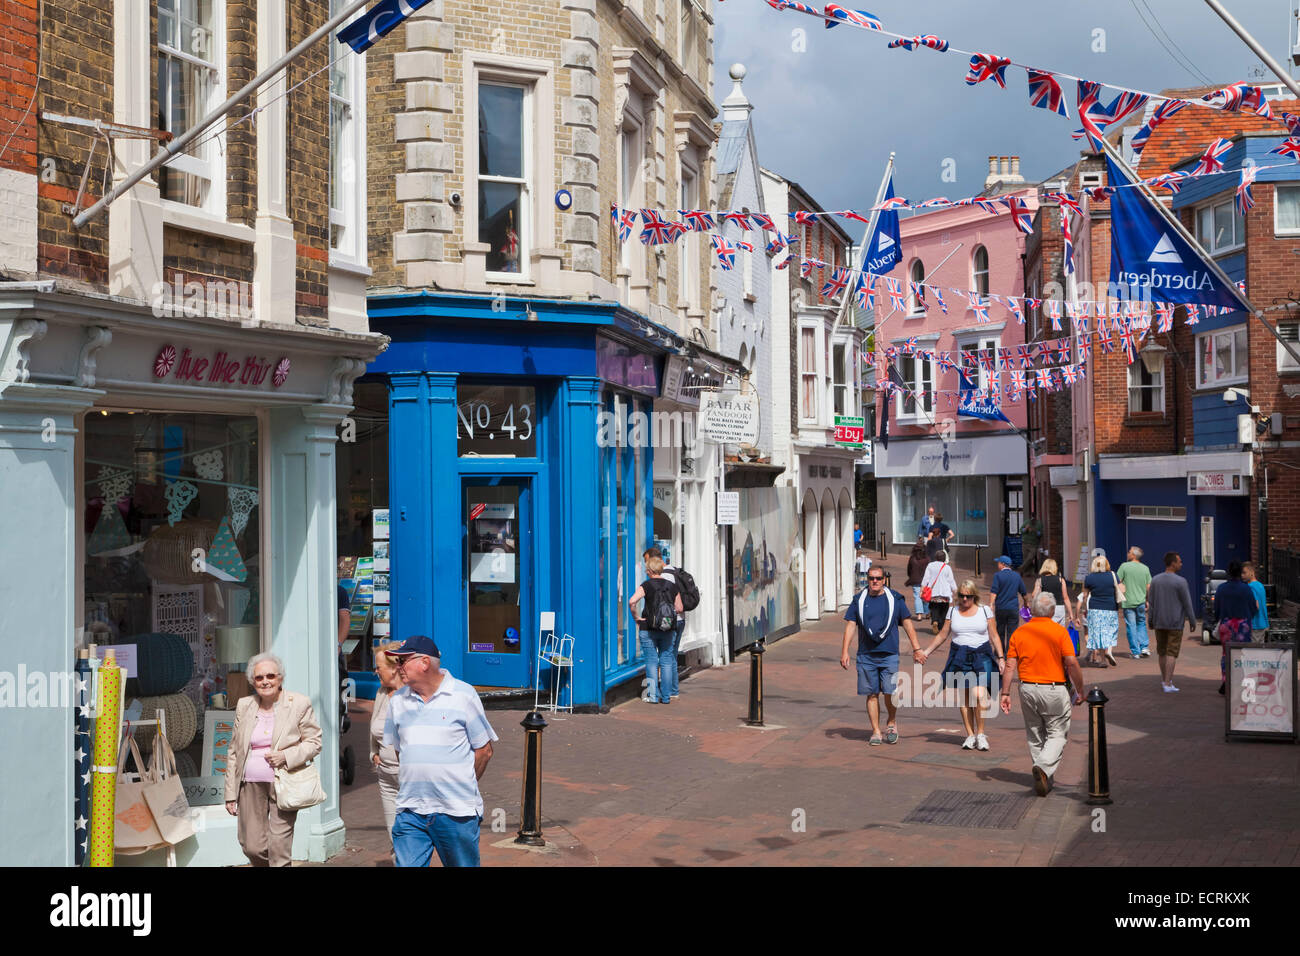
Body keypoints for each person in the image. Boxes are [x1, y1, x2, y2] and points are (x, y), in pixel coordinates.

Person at [385, 636, 497, 867]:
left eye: (402, 661)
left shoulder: (463, 695)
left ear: (424, 662)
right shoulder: (397, 701)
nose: (397, 668)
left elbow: (484, 750)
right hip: (410, 810)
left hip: (456, 812)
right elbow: (400, 752)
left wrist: (462, 782)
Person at [224, 652, 322, 867]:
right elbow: (234, 751)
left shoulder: (298, 703)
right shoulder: (244, 705)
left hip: (285, 783)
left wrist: (286, 756)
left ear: (280, 678)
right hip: (250, 784)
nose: (265, 681)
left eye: (270, 676)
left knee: (279, 847)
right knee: (252, 846)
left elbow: (314, 742)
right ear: (252, 681)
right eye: (259, 678)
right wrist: (230, 793)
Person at [1000, 593, 1086, 796]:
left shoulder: (1019, 633)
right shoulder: (1059, 632)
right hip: (1054, 689)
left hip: (1028, 687)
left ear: (1032, 611)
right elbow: (1071, 662)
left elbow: (1010, 665)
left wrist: (1005, 692)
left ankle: (1045, 776)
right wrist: (1080, 689)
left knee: (1035, 733)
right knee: (1057, 732)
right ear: (1053, 611)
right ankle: (1044, 767)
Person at [840, 565, 923, 746]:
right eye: (871, 578)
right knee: (871, 694)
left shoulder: (895, 599)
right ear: (867, 579)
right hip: (866, 655)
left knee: (890, 692)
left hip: (889, 654)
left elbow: (907, 623)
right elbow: (850, 625)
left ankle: (891, 722)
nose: (875, 581)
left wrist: (917, 649)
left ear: (884, 579)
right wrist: (845, 651)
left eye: (878, 578)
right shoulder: (859, 600)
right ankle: (876, 731)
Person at [919, 579, 1005, 751]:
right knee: (966, 697)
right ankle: (970, 735)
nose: (965, 600)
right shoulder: (952, 611)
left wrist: (1001, 657)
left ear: (975, 596)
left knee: (979, 695)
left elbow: (994, 635)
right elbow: (943, 635)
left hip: (982, 655)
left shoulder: (984, 611)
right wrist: (926, 652)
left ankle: (980, 734)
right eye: (962, 596)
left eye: (968, 596)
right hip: (960, 656)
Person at [629, 552, 684, 704]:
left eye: (647, 569)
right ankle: (666, 697)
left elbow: (632, 601)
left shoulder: (646, 585)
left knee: (651, 662)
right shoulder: (672, 586)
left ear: (650, 571)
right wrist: (667, 612)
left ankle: (653, 696)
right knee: (666, 661)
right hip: (668, 628)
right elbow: (679, 608)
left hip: (648, 627)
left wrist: (636, 618)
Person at [370, 641, 405, 858]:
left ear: (394, 668)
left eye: (379, 667)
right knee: (394, 834)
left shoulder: (412, 695)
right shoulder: (382, 693)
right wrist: (373, 753)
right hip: (386, 776)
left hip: (409, 776)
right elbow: (374, 725)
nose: (375, 671)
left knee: (411, 835)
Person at [1147, 551, 1197, 693]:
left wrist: (1150, 620)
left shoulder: (1155, 580)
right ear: (1173, 563)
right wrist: (1192, 620)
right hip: (1175, 622)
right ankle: (1168, 683)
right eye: (1179, 561)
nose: (1181, 564)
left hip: (1159, 621)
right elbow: (1187, 603)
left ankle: (1165, 680)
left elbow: (1152, 603)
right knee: (1171, 652)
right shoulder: (1181, 582)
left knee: (1162, 652)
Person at [645, 547, 691, 699]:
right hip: (679, 620)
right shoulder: (674, 571)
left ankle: (671, 691)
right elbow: (679, 606)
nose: (646, 565)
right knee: (671, 656)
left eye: (647, 561)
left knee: (667, 657)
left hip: (668, 622)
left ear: (654, 560)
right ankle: (672, 691)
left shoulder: (663, 578)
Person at [1213, 561, 1257, 695]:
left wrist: (1220, 619)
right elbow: (1253, 608)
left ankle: (1226, 680)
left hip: (1226, 624)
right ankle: (1241, 681)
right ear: (1240, 573)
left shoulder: (1221, 588)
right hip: (1243, 625)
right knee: (1243, 653)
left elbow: (1217, 609)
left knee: (1226, 653)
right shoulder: (1246, 588)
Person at [1080, 555, 1121, 667]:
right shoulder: (1113, 575)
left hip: (1094, 608)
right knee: (1111, 630)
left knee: (1099, 634)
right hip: (1111, 607)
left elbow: (1085, 596)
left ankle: (1103, 661)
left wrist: (1085, 608)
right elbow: (1122, 589)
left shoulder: (1089, 578)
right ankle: (1109, 651)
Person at [1117, 546, 1153, 659]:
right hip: (1141, 601)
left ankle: (1135, 651)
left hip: (1128, 602)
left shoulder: (1124, 566)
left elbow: (1117, 581)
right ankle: (1144, 647)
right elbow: (1149, 586)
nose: (1128, 553)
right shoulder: (1145, 568)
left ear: (1133, 555)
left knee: (1131, 626)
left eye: (1129, 552)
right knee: (1141, 623)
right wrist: (1148, 600)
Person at [989, 554, 1028, 651]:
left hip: (1001, 608)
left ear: (1003, 564)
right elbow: (1024, 592)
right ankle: (1010, 653)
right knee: (1012, 632)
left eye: (998, 563)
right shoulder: (1017, 576)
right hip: (1013, 608)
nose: (997, 565)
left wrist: (991, 604)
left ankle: (999, 651)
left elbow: (994, 591)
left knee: (1000, 631)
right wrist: (1026, 603)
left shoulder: (997, 576)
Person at [1031, 558, 1075, 629]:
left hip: (1046, 608)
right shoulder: (1061, 580)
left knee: (1047, 631)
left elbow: (1033, 595)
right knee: (1059, 632)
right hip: (1059, 609)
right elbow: (1066, 598)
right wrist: (1071, 613)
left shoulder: (1040, 580)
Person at [920, 548, 957, 630]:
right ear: (944, 558)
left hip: (933, 592)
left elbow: (925, 579)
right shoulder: (947, 567)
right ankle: (940, 626)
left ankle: (935, 621)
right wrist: (955, 591)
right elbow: (951, 581)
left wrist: (922, 590)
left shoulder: (930, 565)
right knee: (944, 610)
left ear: (936, 557)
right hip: (945, 593)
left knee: (934, 608)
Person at [1243, 562, 1269, 642]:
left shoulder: (1250, 587)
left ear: (1252, 572)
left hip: (1254, 624)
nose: (1242, 575)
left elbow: (1256, 606)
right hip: (1263, 623)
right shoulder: (1260, 585)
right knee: (1260, 650)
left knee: (1253, 651)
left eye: (1244, 572)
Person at [905, 538, 930, 617]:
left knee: (917, 597)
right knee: (925, 596)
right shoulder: (927, 559)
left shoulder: (912, 558)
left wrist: (910, 576)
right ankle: (927, 613)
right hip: (925, 580)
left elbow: (909, 569)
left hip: (915, 579)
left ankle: (919, 614)